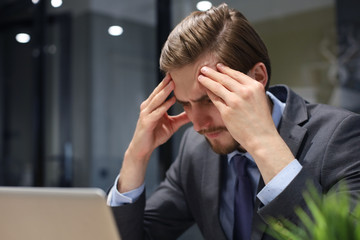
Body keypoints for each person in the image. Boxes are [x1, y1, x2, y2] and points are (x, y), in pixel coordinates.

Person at [108, 3, 360, 240]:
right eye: (185, 104)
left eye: (210, 99)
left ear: (258, 77)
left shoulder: (342, 136)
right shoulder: (194, 150)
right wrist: (136, 157)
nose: (198, 125)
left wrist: (263, 143)